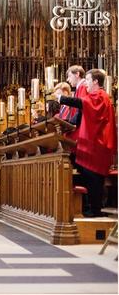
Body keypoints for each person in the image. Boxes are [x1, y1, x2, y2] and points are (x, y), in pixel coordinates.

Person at [55, 69, 117, 217]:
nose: (86, 84)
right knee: (90, 177)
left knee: (94, 178)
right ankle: (92, 208)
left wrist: (61, 98)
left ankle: (95, 210)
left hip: (97, 145)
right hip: (94, 144)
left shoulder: (100, 95)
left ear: (96, 81)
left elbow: (83, 103)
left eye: (88, 80)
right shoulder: (98, 95)